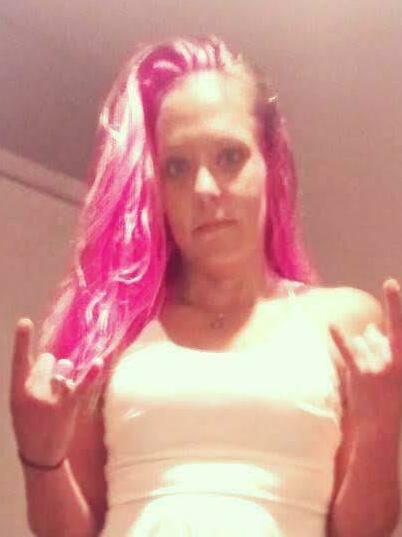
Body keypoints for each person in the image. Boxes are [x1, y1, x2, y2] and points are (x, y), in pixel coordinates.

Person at [9, 34, 402, 537]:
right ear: (156, 188)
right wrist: (39, 459)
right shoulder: (112, 333)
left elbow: (365, 531)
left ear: (271, 163)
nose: (204, 189)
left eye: (230, 157)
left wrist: (381, 425)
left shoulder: (343, 325)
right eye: (177, 167)